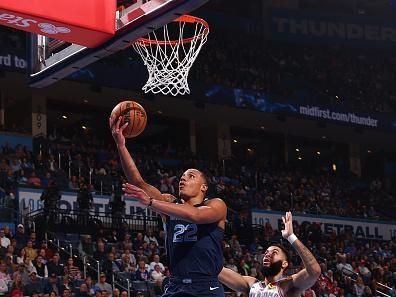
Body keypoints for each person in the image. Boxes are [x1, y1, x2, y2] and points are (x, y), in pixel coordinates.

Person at [109, 116, 227, 297]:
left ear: (204, 187)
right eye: (182, 176)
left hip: (206, 287)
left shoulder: (216, 205)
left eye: (191, 176)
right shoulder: (170, 203)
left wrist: (151, 202)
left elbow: (195, 215)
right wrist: (121, 146)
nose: (183, 178)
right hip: (175, 286)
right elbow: (138, 182)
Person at [219, 212, 321, 297]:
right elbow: (217, 270)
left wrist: (291, 237)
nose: (267, 255)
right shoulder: (251, 284)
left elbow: (314, 271)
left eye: (274, 253)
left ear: (284, 264)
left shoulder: (289, 284)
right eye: (266, 252)